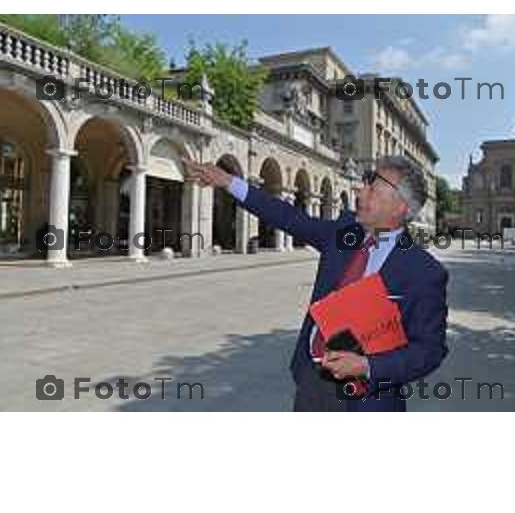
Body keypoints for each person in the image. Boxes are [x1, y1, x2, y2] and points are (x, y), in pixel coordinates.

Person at [185, 155, 449, 412]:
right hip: (313, 380)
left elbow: (429, 350)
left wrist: (368, 366)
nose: (361, 190)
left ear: (400, 206)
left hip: (368, 401)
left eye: (373, 185)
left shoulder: (423, 272)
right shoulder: (343, 232)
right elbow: (288, 217)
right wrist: (229, 182)